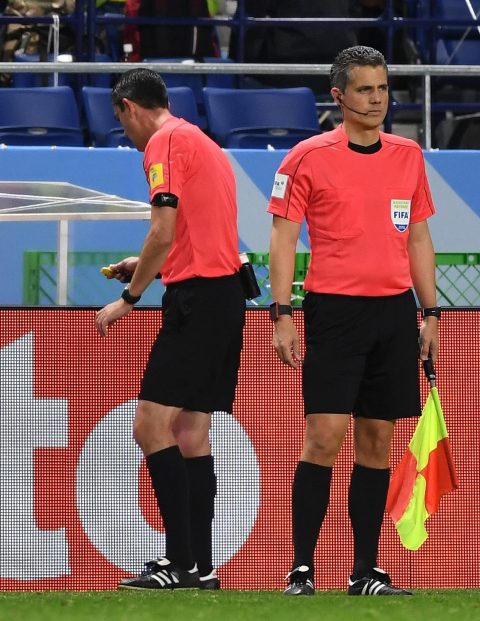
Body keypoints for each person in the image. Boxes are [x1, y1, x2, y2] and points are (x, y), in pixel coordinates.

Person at [268, 45, 439, 596]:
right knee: (324, 436)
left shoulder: (409, 155)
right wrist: (282, 312)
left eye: (384, 89)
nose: (378, 99)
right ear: (339, 96)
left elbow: (417, 236)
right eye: (365, 90)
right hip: (333, 312)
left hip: (393, 313)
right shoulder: (306, 157)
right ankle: (301, 569)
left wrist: (430, 311)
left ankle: (365, 571)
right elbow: (284, 238)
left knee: (377, 441)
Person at [95, 68, 245, 591]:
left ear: (129, 108)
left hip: (198, 303)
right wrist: (142, 264)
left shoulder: (161, 144)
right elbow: (189, 235)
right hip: (224, 298)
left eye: (122, 121)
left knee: (149, 425)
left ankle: (178, 563)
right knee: (190, 434)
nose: (127, 132)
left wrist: (128, 298)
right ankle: (200, 567)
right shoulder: (199, 140)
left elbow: (164, 229)